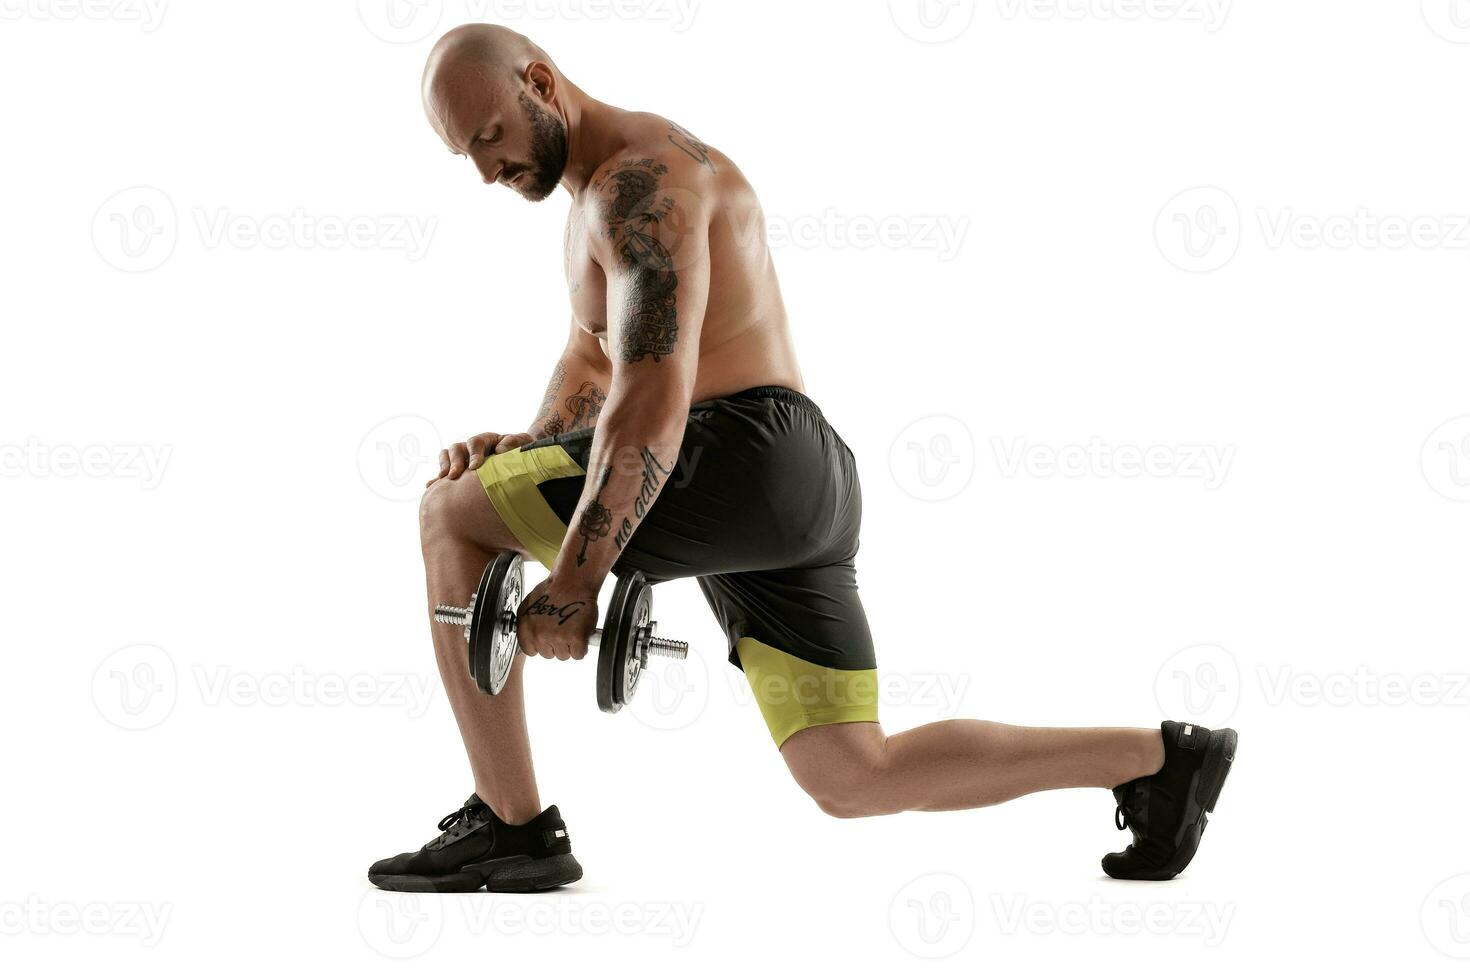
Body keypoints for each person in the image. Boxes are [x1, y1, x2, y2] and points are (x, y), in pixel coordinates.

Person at [367, 23, 1238, 893]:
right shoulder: (609, 191)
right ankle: (1159, 761)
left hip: (734, 457)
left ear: (541, 84)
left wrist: (578, 579)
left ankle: (511, 825)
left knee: (447, 512)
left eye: (491, 136)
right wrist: (531, 449)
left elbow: (652, 400)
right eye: (465, 155)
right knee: (854, 774)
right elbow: (595, 360)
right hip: (799, 482)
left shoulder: (638, 189)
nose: (487, 169)